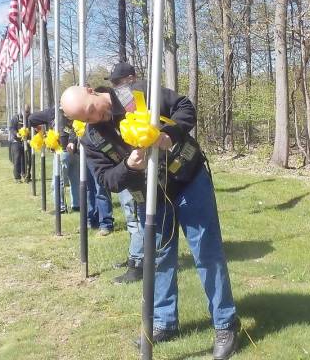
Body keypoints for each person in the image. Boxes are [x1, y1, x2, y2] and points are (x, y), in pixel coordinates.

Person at [60, 66, 240, 360]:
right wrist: (130, 166)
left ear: (92, 90)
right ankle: (164, 322)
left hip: (188, 179)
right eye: (85, 118)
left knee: (206, 252)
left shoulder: (137, 93)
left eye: (92, 110)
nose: (95, 118)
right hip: (152, 197)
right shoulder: (91, 139)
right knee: (158, 259)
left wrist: (169, 134)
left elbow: (184, 107)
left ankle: (225, 324)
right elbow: (109, 181)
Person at [104, 63, 144, 283]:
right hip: (124, 166)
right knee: (131, 215)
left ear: (131, 78)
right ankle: (134, 255)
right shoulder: (117, 103)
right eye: (113, 83)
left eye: (117, 82)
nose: (115, 87)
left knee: (136, 215)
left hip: (139, 165)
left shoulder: (137, 99)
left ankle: (137, 263)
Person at [28, 107, 79, 213]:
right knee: (75, 180)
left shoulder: (52, 112)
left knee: (58, 181)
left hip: (62, 150)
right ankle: (77, 205)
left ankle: (60, 207)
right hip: (76, 149)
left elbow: (31, 119)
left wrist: (41, 130)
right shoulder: (77, 108)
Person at [9, 104, 30, 182]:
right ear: (22, 110)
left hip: (25, 141)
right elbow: (11, 128)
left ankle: (25, 174)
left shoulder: (29, 118)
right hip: (16, 141)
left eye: (28, 111)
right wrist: (16, 133)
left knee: (25, 158)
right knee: (17, 158)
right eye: (26, 111)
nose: (27, 113)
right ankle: (17, 177)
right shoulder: (16, 118)